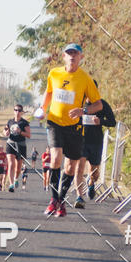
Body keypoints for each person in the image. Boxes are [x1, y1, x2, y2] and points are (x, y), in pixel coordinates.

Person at [37, 43, 102, 217]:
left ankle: (61, 200)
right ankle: (53, 200)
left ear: (81, 58)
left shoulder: (85, 79)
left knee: (70, 167)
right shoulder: (54, 73)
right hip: (54, 122)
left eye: (75, 53)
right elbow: (49, 91)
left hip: (74, 127)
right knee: (56, 158)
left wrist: (84, 111)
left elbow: (98, 104)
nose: (72, 56)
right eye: (69, 53)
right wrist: (43, 108)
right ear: (64, 56)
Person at [73, 87, 116, 208]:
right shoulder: (78, 105)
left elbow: (113, 122)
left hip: (96, 142)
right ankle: (79, 197)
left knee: (94, 172)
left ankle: (91, 183)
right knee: (79, 169)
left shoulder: (102, 105)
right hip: (81, 141)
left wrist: (101, 121)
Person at [3, 104, 30, 192]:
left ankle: (15, 179)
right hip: (10, 144)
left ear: (21, 112)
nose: (17, 112)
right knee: (11, 164)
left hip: (21, 145)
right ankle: (11, 185)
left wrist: (20, 132)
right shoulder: (10, 121)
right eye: (15, 110)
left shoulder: (24, 123)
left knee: (18, 168)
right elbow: (5, 130)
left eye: (19, 110)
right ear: (13, 111)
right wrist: (5, 133)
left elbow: (29, 135)